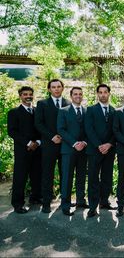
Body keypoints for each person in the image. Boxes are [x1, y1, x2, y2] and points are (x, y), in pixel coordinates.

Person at [35, 79, 71, 213]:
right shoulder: (42, 104)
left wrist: (64, 137)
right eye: (53, 87)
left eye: (58, 87)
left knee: (65, 174)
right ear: (49, 89)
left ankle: (64, 202)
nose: (56, 89)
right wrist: (52, 136)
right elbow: (38, 123)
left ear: (62, 88)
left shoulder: (68, 103)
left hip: (65, 145)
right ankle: (46, 203)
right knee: (47, 174)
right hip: (49, 145)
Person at [7, 86, 42, 213]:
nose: (28, 96)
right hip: (22, 150)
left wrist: (38, 142)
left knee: (37, 175)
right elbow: (12, 131)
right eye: (25, 94)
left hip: (37, 149)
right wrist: (28, 143)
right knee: (20, 178)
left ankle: (35, 198)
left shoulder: (37, 111)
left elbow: (41, 128)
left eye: (30, 94)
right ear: (20, 96)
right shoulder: (14, 112)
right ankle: (18, 204)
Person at [84, 84, 117, 218]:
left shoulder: (114, 111)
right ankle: (92, 206)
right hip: (94, 150)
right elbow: (89, 129)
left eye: (105, 92)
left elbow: (116, 130)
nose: (103, 94)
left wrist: (109, 144)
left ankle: (104, 201)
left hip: (109, 150)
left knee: (107, 177)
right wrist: (99, 145)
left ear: (109, 94)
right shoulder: (90, 110)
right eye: (100, 92)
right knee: (93, 178)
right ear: (97, 94)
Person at [57, 87, 88, 216]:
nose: (78, 96)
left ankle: (80, 200)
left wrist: (84, 142)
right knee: (67, 178)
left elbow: (90, 129)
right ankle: (66, 204)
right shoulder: (63, 111)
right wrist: (75, 143)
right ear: (71, 96)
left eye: (80, 94)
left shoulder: (87, 111)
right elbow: (61, 129)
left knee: (81, 176)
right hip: (69, 149)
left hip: (84, 149)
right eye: (75, 94)